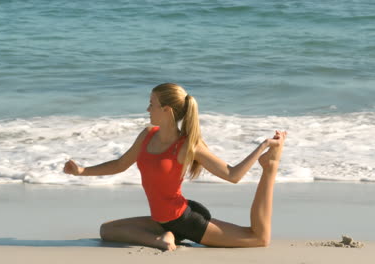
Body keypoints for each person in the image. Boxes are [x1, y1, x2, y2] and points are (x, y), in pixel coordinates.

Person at [63, 83, 287, 251]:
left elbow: (233, 175)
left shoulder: (188, 145)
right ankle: (162, 239)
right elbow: (120, 164)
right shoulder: (147, 135)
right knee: (107, 231)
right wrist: (82, 171)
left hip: (186, 221)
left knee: (259, 239)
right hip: (161, 220)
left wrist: (264, 146)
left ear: (167, 110)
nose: (147, 109)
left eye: (152, 104)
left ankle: (270, 167)